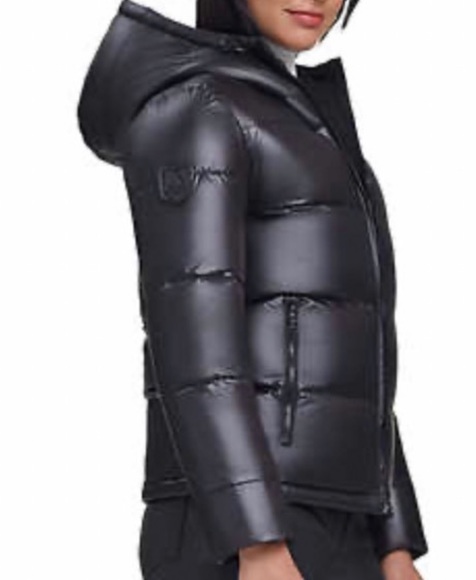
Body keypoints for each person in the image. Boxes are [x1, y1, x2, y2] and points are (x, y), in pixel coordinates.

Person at [77, 0, 429, 578]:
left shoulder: (307, 118)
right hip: (238, 527)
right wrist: (256, 539)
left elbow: (360, 357)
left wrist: (394, 541)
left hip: (340, 517)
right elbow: (194, 348)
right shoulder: (198, 109)